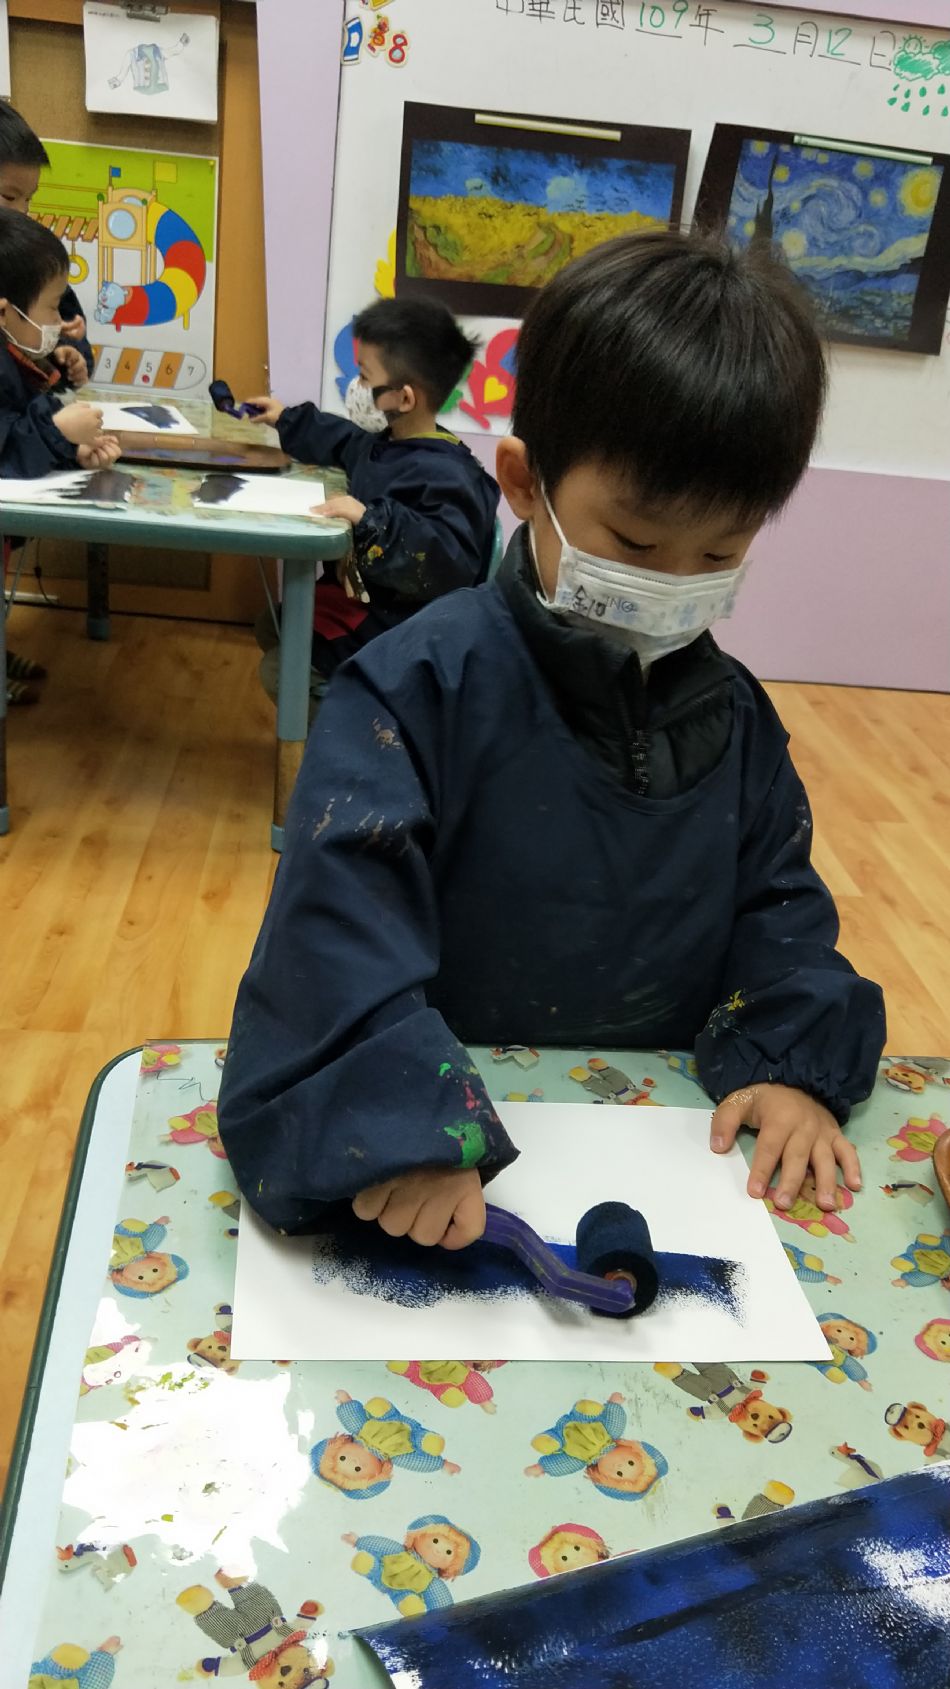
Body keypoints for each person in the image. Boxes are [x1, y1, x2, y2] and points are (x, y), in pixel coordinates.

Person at [218, 230, 886, 1252]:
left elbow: (779, 910)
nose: (671, 583)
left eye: (719, 551)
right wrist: (403, 1125)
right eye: (632, 541)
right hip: (451, 1154)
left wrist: (787, 1064)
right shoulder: (412, 690)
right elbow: (334, 932)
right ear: (525, 482)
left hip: (667, 1161)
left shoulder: (738, 718)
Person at [246, 298, 498, 715]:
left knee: (279, 669)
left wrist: (370, 520)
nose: (356, 387)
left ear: (404, 398)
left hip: (405, 628)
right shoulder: (389, 443)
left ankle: (355, 742)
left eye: (364, 376)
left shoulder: (448, 477)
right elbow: (344, 441)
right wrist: (286, 419)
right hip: (370, 602)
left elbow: (445, 561)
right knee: (271, 624)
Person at [0, 103, 97, 704]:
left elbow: (57, 328)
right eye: (8, 198)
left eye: (28, 201)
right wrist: (57, 429)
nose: (21, 215)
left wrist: (67, 355)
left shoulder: (25, 260)